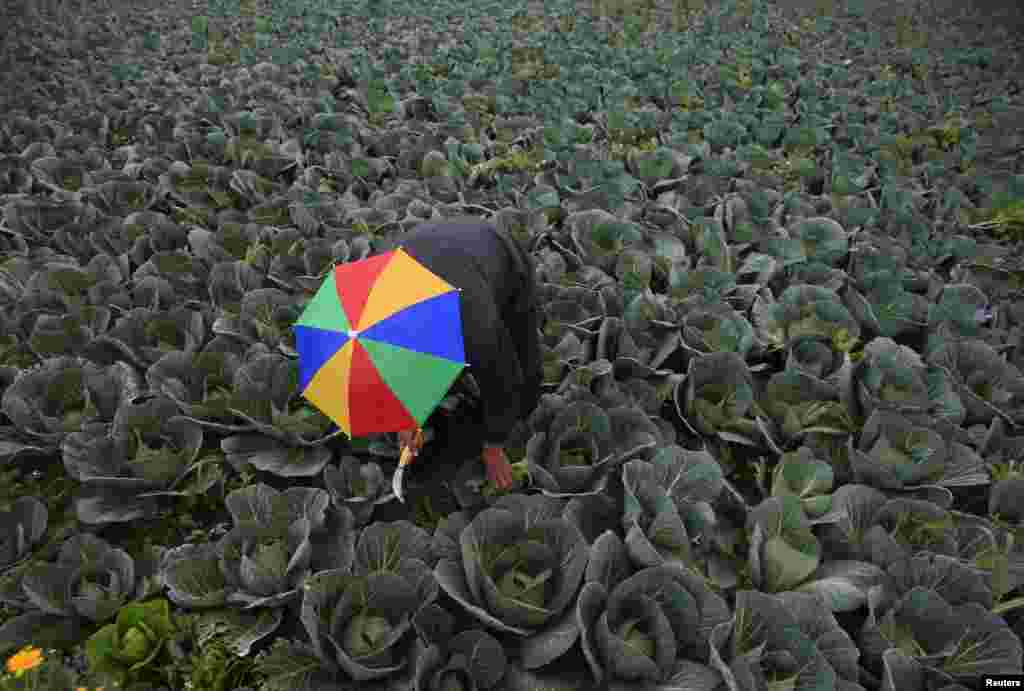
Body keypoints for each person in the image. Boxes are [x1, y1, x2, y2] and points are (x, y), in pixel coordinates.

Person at [393, 216, 543, 493]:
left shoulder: (475, 325)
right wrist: (407, 416)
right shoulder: (381, 311)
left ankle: (521, 410)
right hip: (430, 243)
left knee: (524, 364)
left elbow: (503, 380)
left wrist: (494, 449)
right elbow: (400, 364)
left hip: (496, 251)